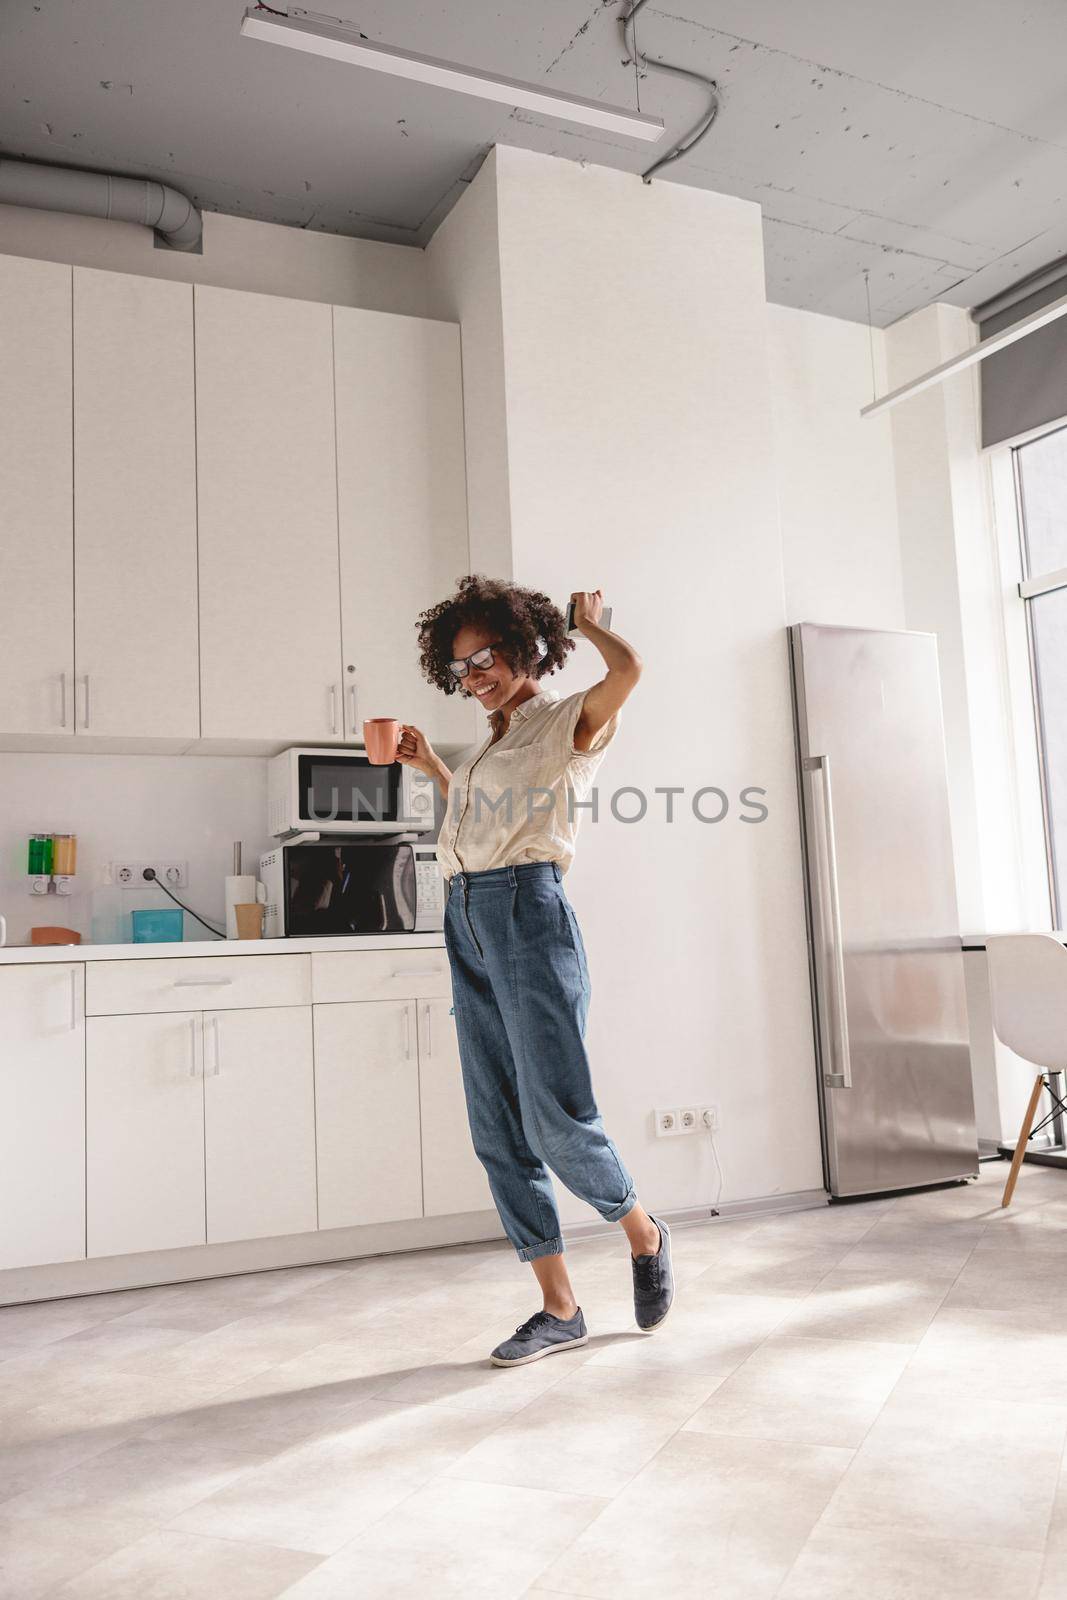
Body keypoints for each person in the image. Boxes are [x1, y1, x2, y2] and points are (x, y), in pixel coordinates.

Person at [396, 574, 674, 1368]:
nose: (473, 674)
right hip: (467, 918)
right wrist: (434, 772)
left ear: (523, 648)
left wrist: (592, 629)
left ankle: (643, 1233)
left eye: (484, 656)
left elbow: (628, 675)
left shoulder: (563, 724)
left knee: (554, 1117)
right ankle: (559, 1308)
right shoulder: (488, 742)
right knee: (495, 1125)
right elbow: (481, 826)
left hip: (527, 915)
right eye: (459, 666)